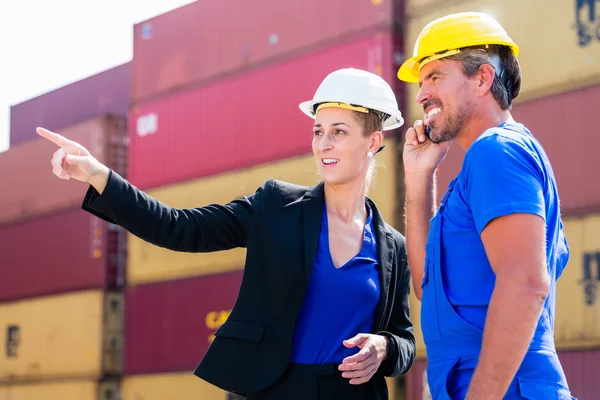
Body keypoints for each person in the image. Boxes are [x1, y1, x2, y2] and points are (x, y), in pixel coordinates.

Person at [38, 68, 416, 399]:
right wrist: (98, 175)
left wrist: (383, 347)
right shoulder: (276, 206)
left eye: (339, 132)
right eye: (318, 131)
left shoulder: (392, 248)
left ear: (373, 142)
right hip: (273, 391)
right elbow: (177, 228)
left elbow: (405, 341)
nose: (323, 144)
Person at [397, 12, 575, 399]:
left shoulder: (497, 152)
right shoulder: (479, 165)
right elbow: (428, 287)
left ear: (482, 79)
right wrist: (418, 178)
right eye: (422, 81)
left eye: (435, 76)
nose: (422, 94)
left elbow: (525, 285)